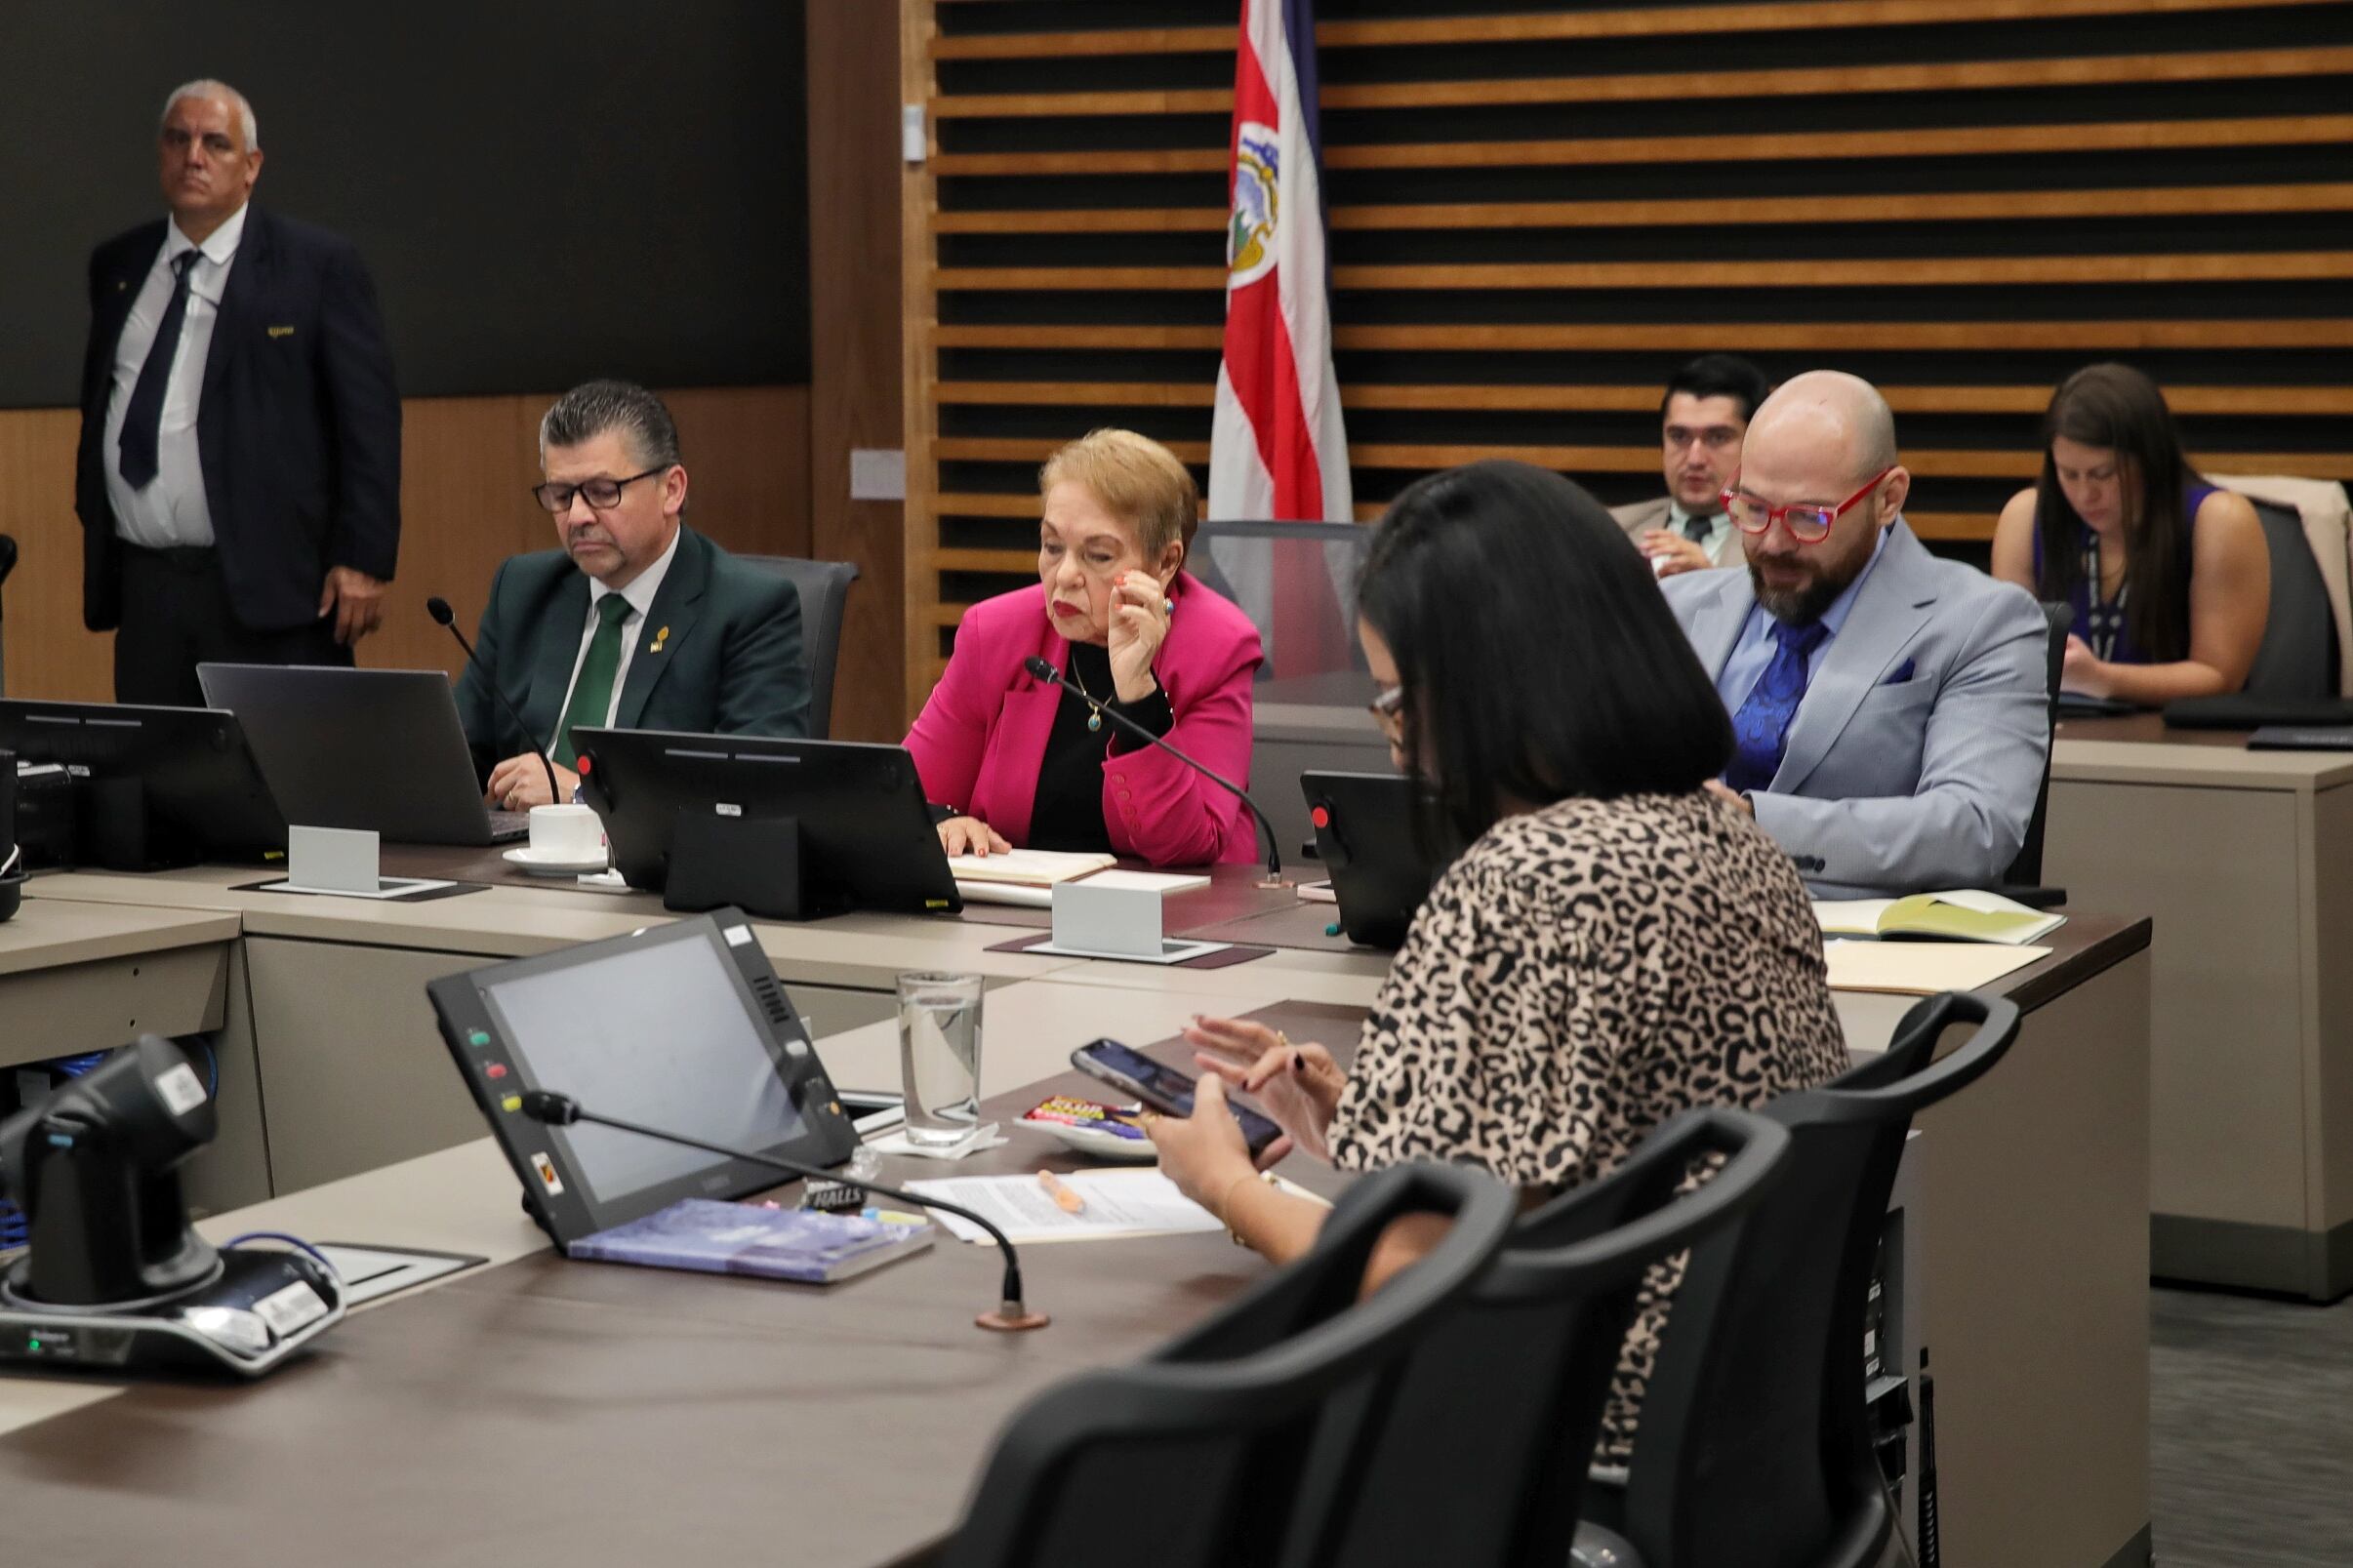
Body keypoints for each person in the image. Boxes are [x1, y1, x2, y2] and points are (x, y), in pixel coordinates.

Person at [1145, 459, 1846, 1463]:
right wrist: (1363, 1121)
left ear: (1490, 687)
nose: (1395, 744)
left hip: (1563, 1432)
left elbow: (1412, 1288)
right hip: (1741, 1429)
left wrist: (1226, 1187)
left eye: (1397, 700)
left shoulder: (1520, 878)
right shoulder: (1732, 838)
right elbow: (1597, 1144)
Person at [1660, 371, 2049, 897]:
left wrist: (1752, 824)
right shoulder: (1675, 607)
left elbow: (1975, 827)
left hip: (1854, 937)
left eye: (1808, 518)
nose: (1773, 542)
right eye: (1753, 509)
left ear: (1888, 498)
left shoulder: (1983, 621)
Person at [76, 80, 400, 706]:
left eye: (215, 143)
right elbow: (102, 405)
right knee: (159, 762)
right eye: (178, 140)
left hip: (274, 584)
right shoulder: (119, 265)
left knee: (280, 762)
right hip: (147, 586)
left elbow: (370, 423)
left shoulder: (315, 265)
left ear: (251, 166)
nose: (193, 157)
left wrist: (365, 556)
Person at [906, 429, 1263, 866]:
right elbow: (907, 799)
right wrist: (946, 822)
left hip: (1175, 904)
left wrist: (1137, 689)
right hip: (1018, 902)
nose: (1064, 575)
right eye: (1052, 546)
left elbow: (1188, 847)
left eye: (1098, 556)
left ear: (1166, 562)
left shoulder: (1217, 648)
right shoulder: (997, 633)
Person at [455, 381, 808, 809]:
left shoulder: (748, 609)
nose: (578, 516)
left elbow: (753, 788)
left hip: (652, 850)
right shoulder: (523, 589)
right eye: (562, 495)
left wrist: (584, 796)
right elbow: (458, 752)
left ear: (671, 490)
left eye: (604, 492)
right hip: (517, 844)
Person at [1992, 363, 2269, 704]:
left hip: (2180, 732)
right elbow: (2007, 658)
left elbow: (2220, 675)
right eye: (2069, 474)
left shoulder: (2220, 520)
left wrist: (2101, 679)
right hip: (2059, 729)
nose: (2085, 494)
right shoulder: (2025, 516)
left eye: (2103, 474)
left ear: (2149, 460)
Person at [1609, 353, 1772, 580]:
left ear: (1754, 444)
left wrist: (1708, 585)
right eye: (1679, 436)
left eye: (1717, 437)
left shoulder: (1777, 542)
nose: (1695, 459)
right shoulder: (1608, 530)